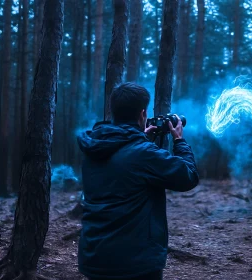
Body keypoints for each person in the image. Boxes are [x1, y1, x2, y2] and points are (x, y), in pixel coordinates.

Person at [76, 83, 199, 280]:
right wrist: (179, 142)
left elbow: (123, 169)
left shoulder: (94, 146)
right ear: (142, 114)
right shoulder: (143, 154)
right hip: (134, 262)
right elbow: (188, 176)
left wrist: (140, 139)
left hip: (94, 256)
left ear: (113, 110)